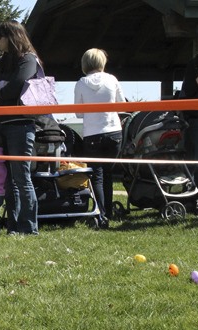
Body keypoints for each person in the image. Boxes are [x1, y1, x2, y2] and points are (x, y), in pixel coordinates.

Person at [0, 20, 40, 235]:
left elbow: (17, 87)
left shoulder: (29, 60)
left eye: (0, 37)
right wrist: (0, 86)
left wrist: (1, 87)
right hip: (0, 125)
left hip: (21, 125)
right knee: (8, 180)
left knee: (21, 178)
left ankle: (29, 227)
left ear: (10, 37)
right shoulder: (4, 60)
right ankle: (13, 226)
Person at [74, 48, 125, 228]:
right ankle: (109, 212)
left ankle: (100, 214)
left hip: (92, 133)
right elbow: (122, 105)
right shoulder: (112, 79)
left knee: (96, 176)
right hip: (113, 131)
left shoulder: (81, 83)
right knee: (109, 174)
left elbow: (78, 113)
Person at [180, 51, 198, 190]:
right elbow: (187, 91)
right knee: (197, 162)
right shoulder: (195, 64)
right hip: (197, 120)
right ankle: (195, 196)